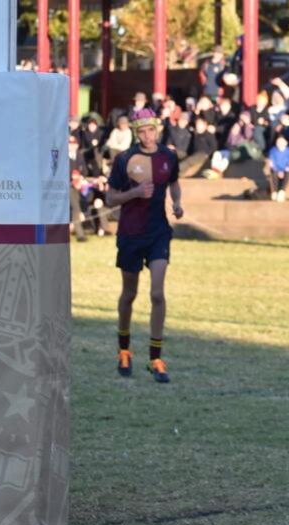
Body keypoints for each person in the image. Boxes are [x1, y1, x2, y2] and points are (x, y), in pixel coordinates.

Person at [105, 109, 183, 383]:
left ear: (157, 129)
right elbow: (110, 199)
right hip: (130, 234)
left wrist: (176, 202)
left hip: (158, 232)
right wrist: (134, 193)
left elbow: (174, 182)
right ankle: (124, 350)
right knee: (129, 294)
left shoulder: (169, 156)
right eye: (142, 131)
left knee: (158, 294)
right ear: (135, 133)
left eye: (151, 130)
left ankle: (156, 357)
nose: (147, 136)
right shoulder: (124, 159)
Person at [267, 134, 289, 201]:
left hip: (286, 170)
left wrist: (284, 170)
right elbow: (272, 162)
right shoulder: (273, 151)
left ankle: (282, 191)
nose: (280, 143)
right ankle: (275, 191)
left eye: (282, 142)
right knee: (273, 173)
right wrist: (277, 170)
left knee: (288, 172)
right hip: (276, 170)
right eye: (278, 142)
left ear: (286, 142)